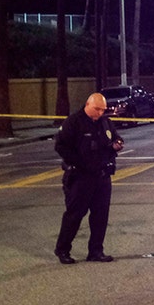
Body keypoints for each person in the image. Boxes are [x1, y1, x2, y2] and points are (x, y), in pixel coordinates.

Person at [53, 92, 124, 264]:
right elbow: (60, 146)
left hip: (102, 177)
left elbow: (115, 138)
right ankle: (63, 250)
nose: (100, 112)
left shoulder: (105, 122)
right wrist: (80, 162)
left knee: (100, 215)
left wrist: (117, 144)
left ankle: (96, 251)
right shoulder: (74, 122)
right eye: (97, 109)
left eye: (103, 110)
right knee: (75, 215)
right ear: (87, 105)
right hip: (81, 177)